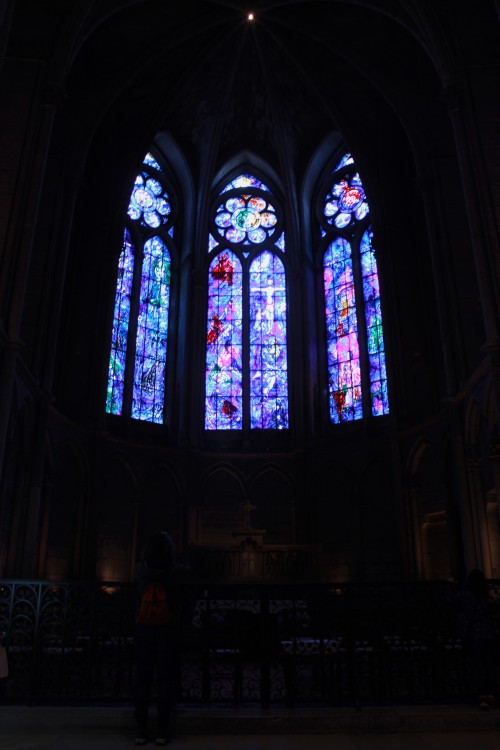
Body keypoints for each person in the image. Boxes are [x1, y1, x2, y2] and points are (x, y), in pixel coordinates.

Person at [133, 531, 180, 745]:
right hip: (166, 628)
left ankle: (140, 730)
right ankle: (162, 729)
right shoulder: (173, 570)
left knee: (143, 678)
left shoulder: (140, 570)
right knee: (165, 679)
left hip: (144, 627)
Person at [454, 569, 498, 709]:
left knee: (477, 665)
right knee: (490, 665)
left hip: (472, 635)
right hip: (489, 635)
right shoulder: (487, 597)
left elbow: (455, 604)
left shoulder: (464, 596)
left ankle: (481, 695)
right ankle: (492, 694)